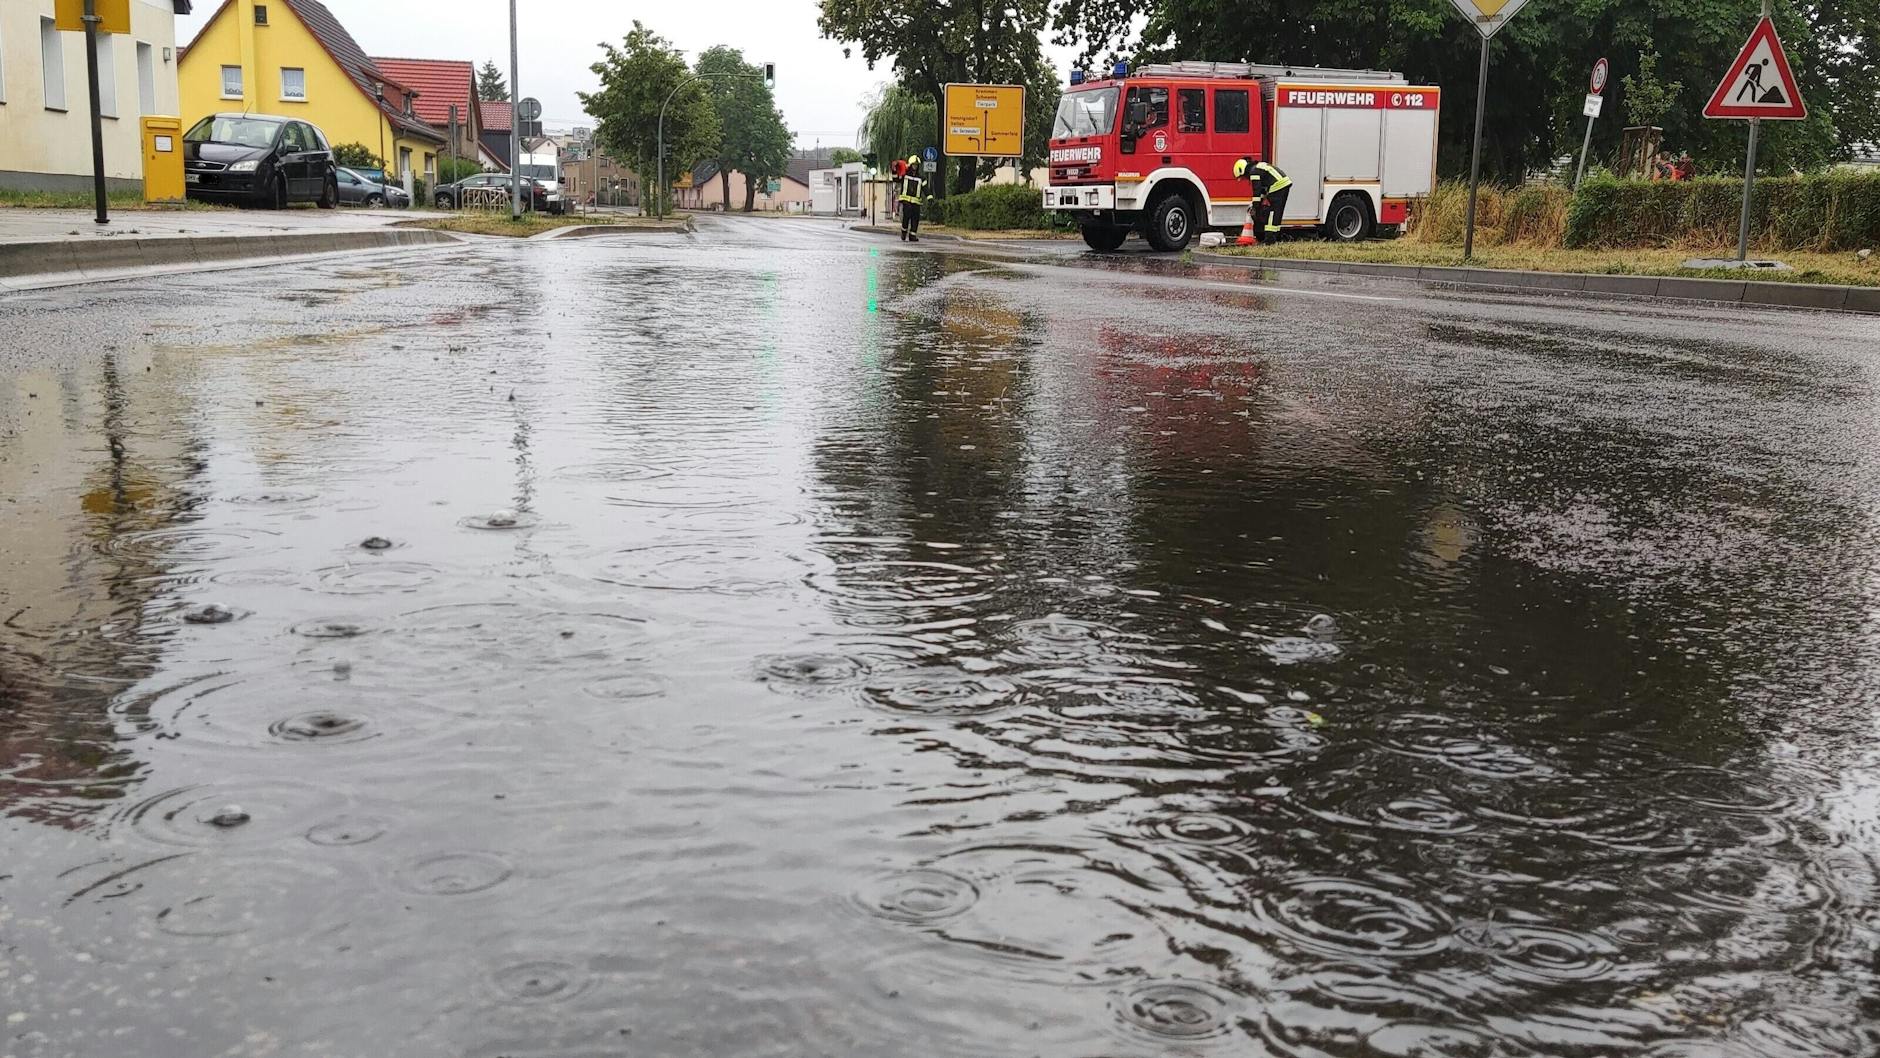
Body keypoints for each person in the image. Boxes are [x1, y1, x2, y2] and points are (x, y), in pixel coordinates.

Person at [1234, 157, 1293, 242]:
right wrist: (1259, 201)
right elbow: (1262, 189)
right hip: (1283, 184)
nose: (1245, 179)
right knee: (1277, 212)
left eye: (1243, 177)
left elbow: (1256, 191)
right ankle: (1276, 236)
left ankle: (1270, 238)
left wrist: (1255, 207)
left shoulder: (1253, 172)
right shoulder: (1257, 167)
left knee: (1271, 212)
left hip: (1277, 186)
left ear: (1242, 170)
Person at [899, 155, 927, 242]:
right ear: (910, 165)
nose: (915, 166)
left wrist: (930, 197)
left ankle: (912, 235)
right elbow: (896, 178)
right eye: (913, 165)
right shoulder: (905, 175)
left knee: (915, 219)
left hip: (916, 202)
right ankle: (904, 232)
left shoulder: (921, 178)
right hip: (906, 200)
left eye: (916, 165)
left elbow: (925, 189)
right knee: (906, 217)